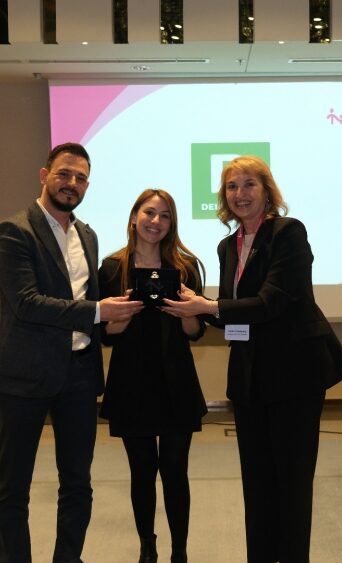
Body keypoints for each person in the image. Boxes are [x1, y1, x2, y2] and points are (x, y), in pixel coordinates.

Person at [162, 155, 342, 563]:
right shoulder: (226, 246)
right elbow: (234, 312)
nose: (240, 193)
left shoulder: (288, 233)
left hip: (295, 375)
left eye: (249, 184)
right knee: (257, 483)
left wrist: (207, 306)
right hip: (250, 379)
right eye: (232, 186)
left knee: (292, 484)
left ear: (267, 191)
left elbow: (272, 302)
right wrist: (193, 306)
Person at [0, 142, 142, 563]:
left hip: (79, 375)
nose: (71, 183)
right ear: (44, 175)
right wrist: (98, 311)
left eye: (80, 178)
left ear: (87, 185)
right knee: (13, 488)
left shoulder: (87, 235)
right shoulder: (13, 231)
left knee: (77, 484)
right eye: (64, 174)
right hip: (24, 377)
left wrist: (115, 315)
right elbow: (27, 303)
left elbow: (87, 300)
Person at [98, 188, 207, 563]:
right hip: (131, 383)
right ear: (134, 217)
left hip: (176, 382)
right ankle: (148, 545)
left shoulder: (186, 267)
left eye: (165, 215)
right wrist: (122, 314)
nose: (155, 221)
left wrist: (187, 311)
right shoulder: (113, 268)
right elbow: (106, 336)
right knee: (142, 470)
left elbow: (195, 332)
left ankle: (180, 551)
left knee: (175, 469)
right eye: (149, 212)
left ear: (172, 224)